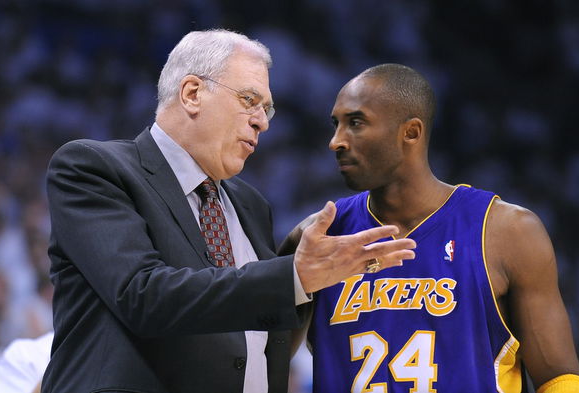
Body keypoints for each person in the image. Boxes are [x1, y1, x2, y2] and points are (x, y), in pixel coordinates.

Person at [42, 30, 416, 393]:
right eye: (249, 100)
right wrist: (294, 275)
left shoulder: (251, 205)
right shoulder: (93, 168)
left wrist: (312, 279)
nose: (263, 122)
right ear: (192, 94)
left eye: (267, 108)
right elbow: (142, 295)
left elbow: (258, 333)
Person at [281, 64, 579, 392]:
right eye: (336, 124)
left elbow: (558, 378)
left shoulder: (507, 231)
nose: (336, 141)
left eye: (355, 123)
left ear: (411, 132)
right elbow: (260, 364)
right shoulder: (316, 238)